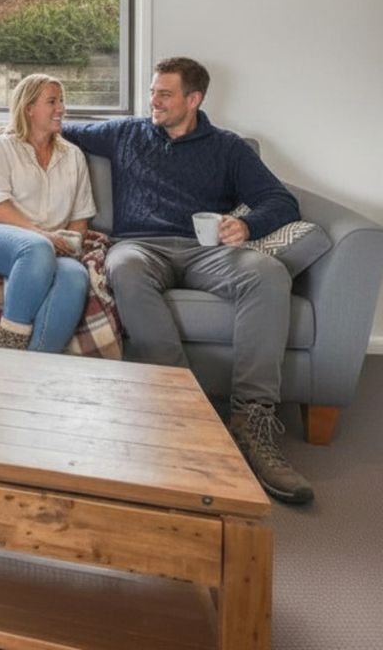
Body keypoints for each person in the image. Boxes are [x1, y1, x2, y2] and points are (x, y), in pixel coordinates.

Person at [61, 56, 313, 504]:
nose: (153, 101)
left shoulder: (228, 148)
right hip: (141, 246)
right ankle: (182, 408)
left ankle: (251, 419)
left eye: (164, 94)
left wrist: (247, 226)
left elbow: (280, 201)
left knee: (268, 274)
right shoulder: (126, 133)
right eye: (152, 92)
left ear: (193, 99)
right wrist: (15, 129)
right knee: (123, 266)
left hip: (204, 251)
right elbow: (60, 129)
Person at [0, 73, 96, 353]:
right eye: (52, 101)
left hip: (50, 243)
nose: (61, 108)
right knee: (36, 247)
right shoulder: (4, 146)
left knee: (75, 276)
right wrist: (42, 236)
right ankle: (9, 349)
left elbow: (80, 216)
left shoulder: (73, 156)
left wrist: (70, 243)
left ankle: (32, 365)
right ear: (29, 108)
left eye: (62, 101)